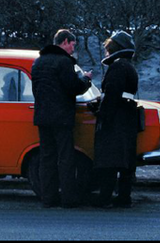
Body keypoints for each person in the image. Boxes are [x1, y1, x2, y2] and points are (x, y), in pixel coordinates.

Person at [30, 28, 93, 208]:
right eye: (72, 44)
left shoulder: (38, 62)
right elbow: (73, 87)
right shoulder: (64, 63)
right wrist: (85, 79)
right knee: (65, 157)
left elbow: (37, 90)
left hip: (42, 116)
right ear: (65, 42)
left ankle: (48, 198)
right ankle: (68, 198)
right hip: (62, 117)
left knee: (47, 157)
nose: (73, 49)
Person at [92, 30, 139, 208]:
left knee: (109, 161)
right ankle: (124, 197)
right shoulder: (128, 67)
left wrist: (101, 114)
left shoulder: (117, 67)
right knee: (125, 162)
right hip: (127, 118)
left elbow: (111, 95)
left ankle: (105, 198)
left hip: (115, 120)